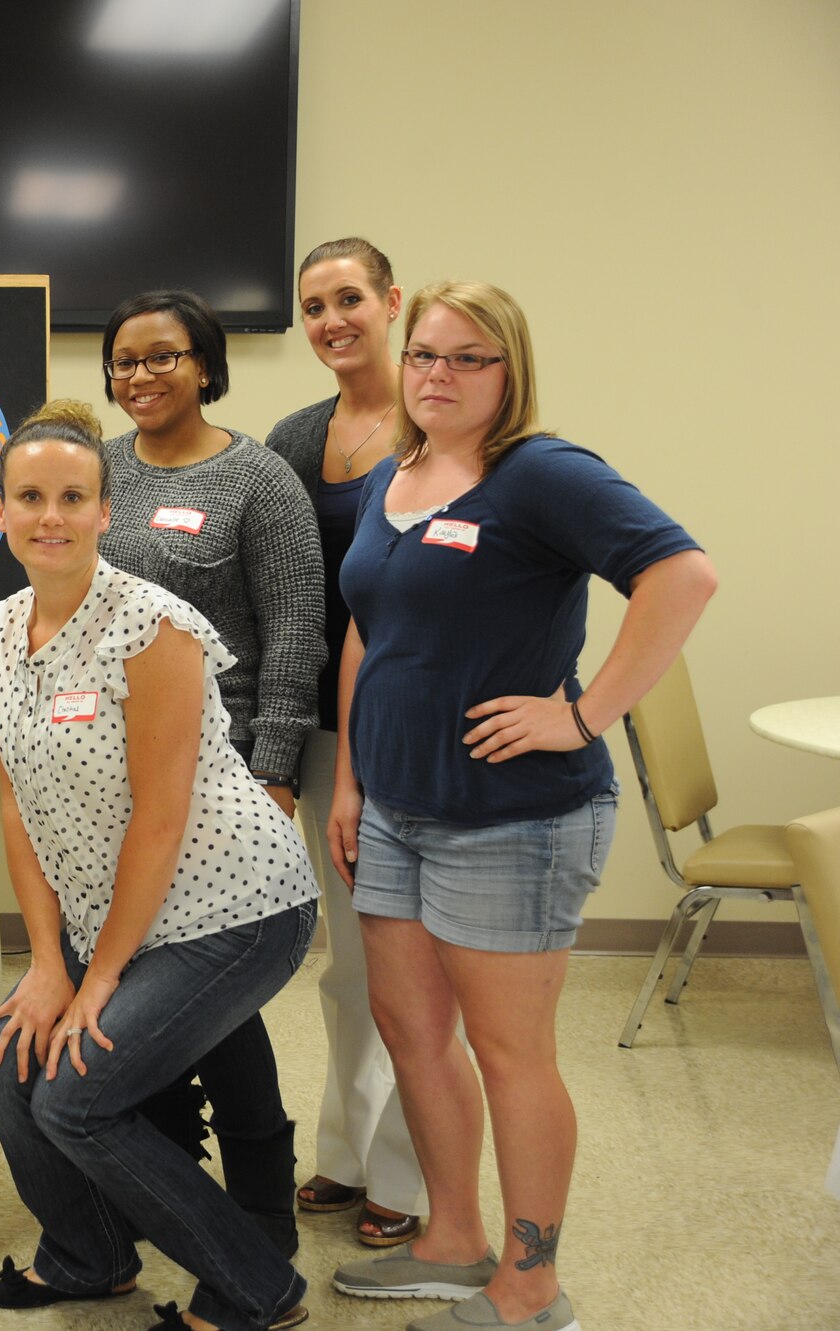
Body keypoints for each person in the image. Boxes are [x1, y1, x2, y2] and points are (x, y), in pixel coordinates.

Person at [327, 282, 715, 1331]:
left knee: (510, 1052)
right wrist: (353, 781)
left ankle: (530, 1287)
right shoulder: (393, 475)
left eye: (467, 358)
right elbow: (368, 627)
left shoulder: (540, 473)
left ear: (510, 373)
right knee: (409, 1028)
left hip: (514, 817)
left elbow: (681, 576)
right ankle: (453, 1238)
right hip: (397, 804)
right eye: (423, 356)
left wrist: (582, 716)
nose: (437, 376)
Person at [0, 401, 319, 1331]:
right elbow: (18, 804)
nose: (51, 515)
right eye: (30, 496)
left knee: (78, 1096)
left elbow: (161, 820)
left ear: (104, 512)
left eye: (72, 497)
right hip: (116, 914)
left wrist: (102, 977)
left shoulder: (152, 624)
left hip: (233, 907)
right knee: (6, 1061)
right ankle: (89, 1256)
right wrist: (49, 964)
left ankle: (259, 1287)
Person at [96, 289, 324, 1253]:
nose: (141, 376)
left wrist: (275, 771)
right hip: (104, 772)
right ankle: (161, 1173)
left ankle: (263, 1204)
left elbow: (296, 629)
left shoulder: (259, 479)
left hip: (217, 776)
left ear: (206, 366)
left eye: (163, 357)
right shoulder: (97, 470)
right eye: (124, 360)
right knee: (136, 978)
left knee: (210, 995)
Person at [264, 238, 427, 1247]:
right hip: (324, 734)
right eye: (314, 304)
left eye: (349, 298)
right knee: (345, 966)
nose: (331, 319)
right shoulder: (293, 436)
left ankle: (406, 1174)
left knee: (409, 965)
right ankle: (343, 1148)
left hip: (409, 735)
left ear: (390, 301)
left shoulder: (441, 418)